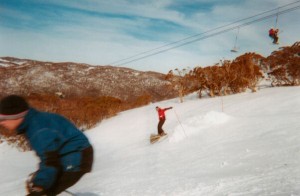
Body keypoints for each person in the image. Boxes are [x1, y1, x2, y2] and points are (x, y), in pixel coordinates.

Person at [0, 95, 93, 196]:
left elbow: (50, 162)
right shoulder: (35, 120)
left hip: (76, 158)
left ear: (16, 116)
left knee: (45, 190)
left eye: (4, 118)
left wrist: (39, 186)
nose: (2, 122)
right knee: (44, 186)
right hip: (76, 153)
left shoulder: (37, 129)